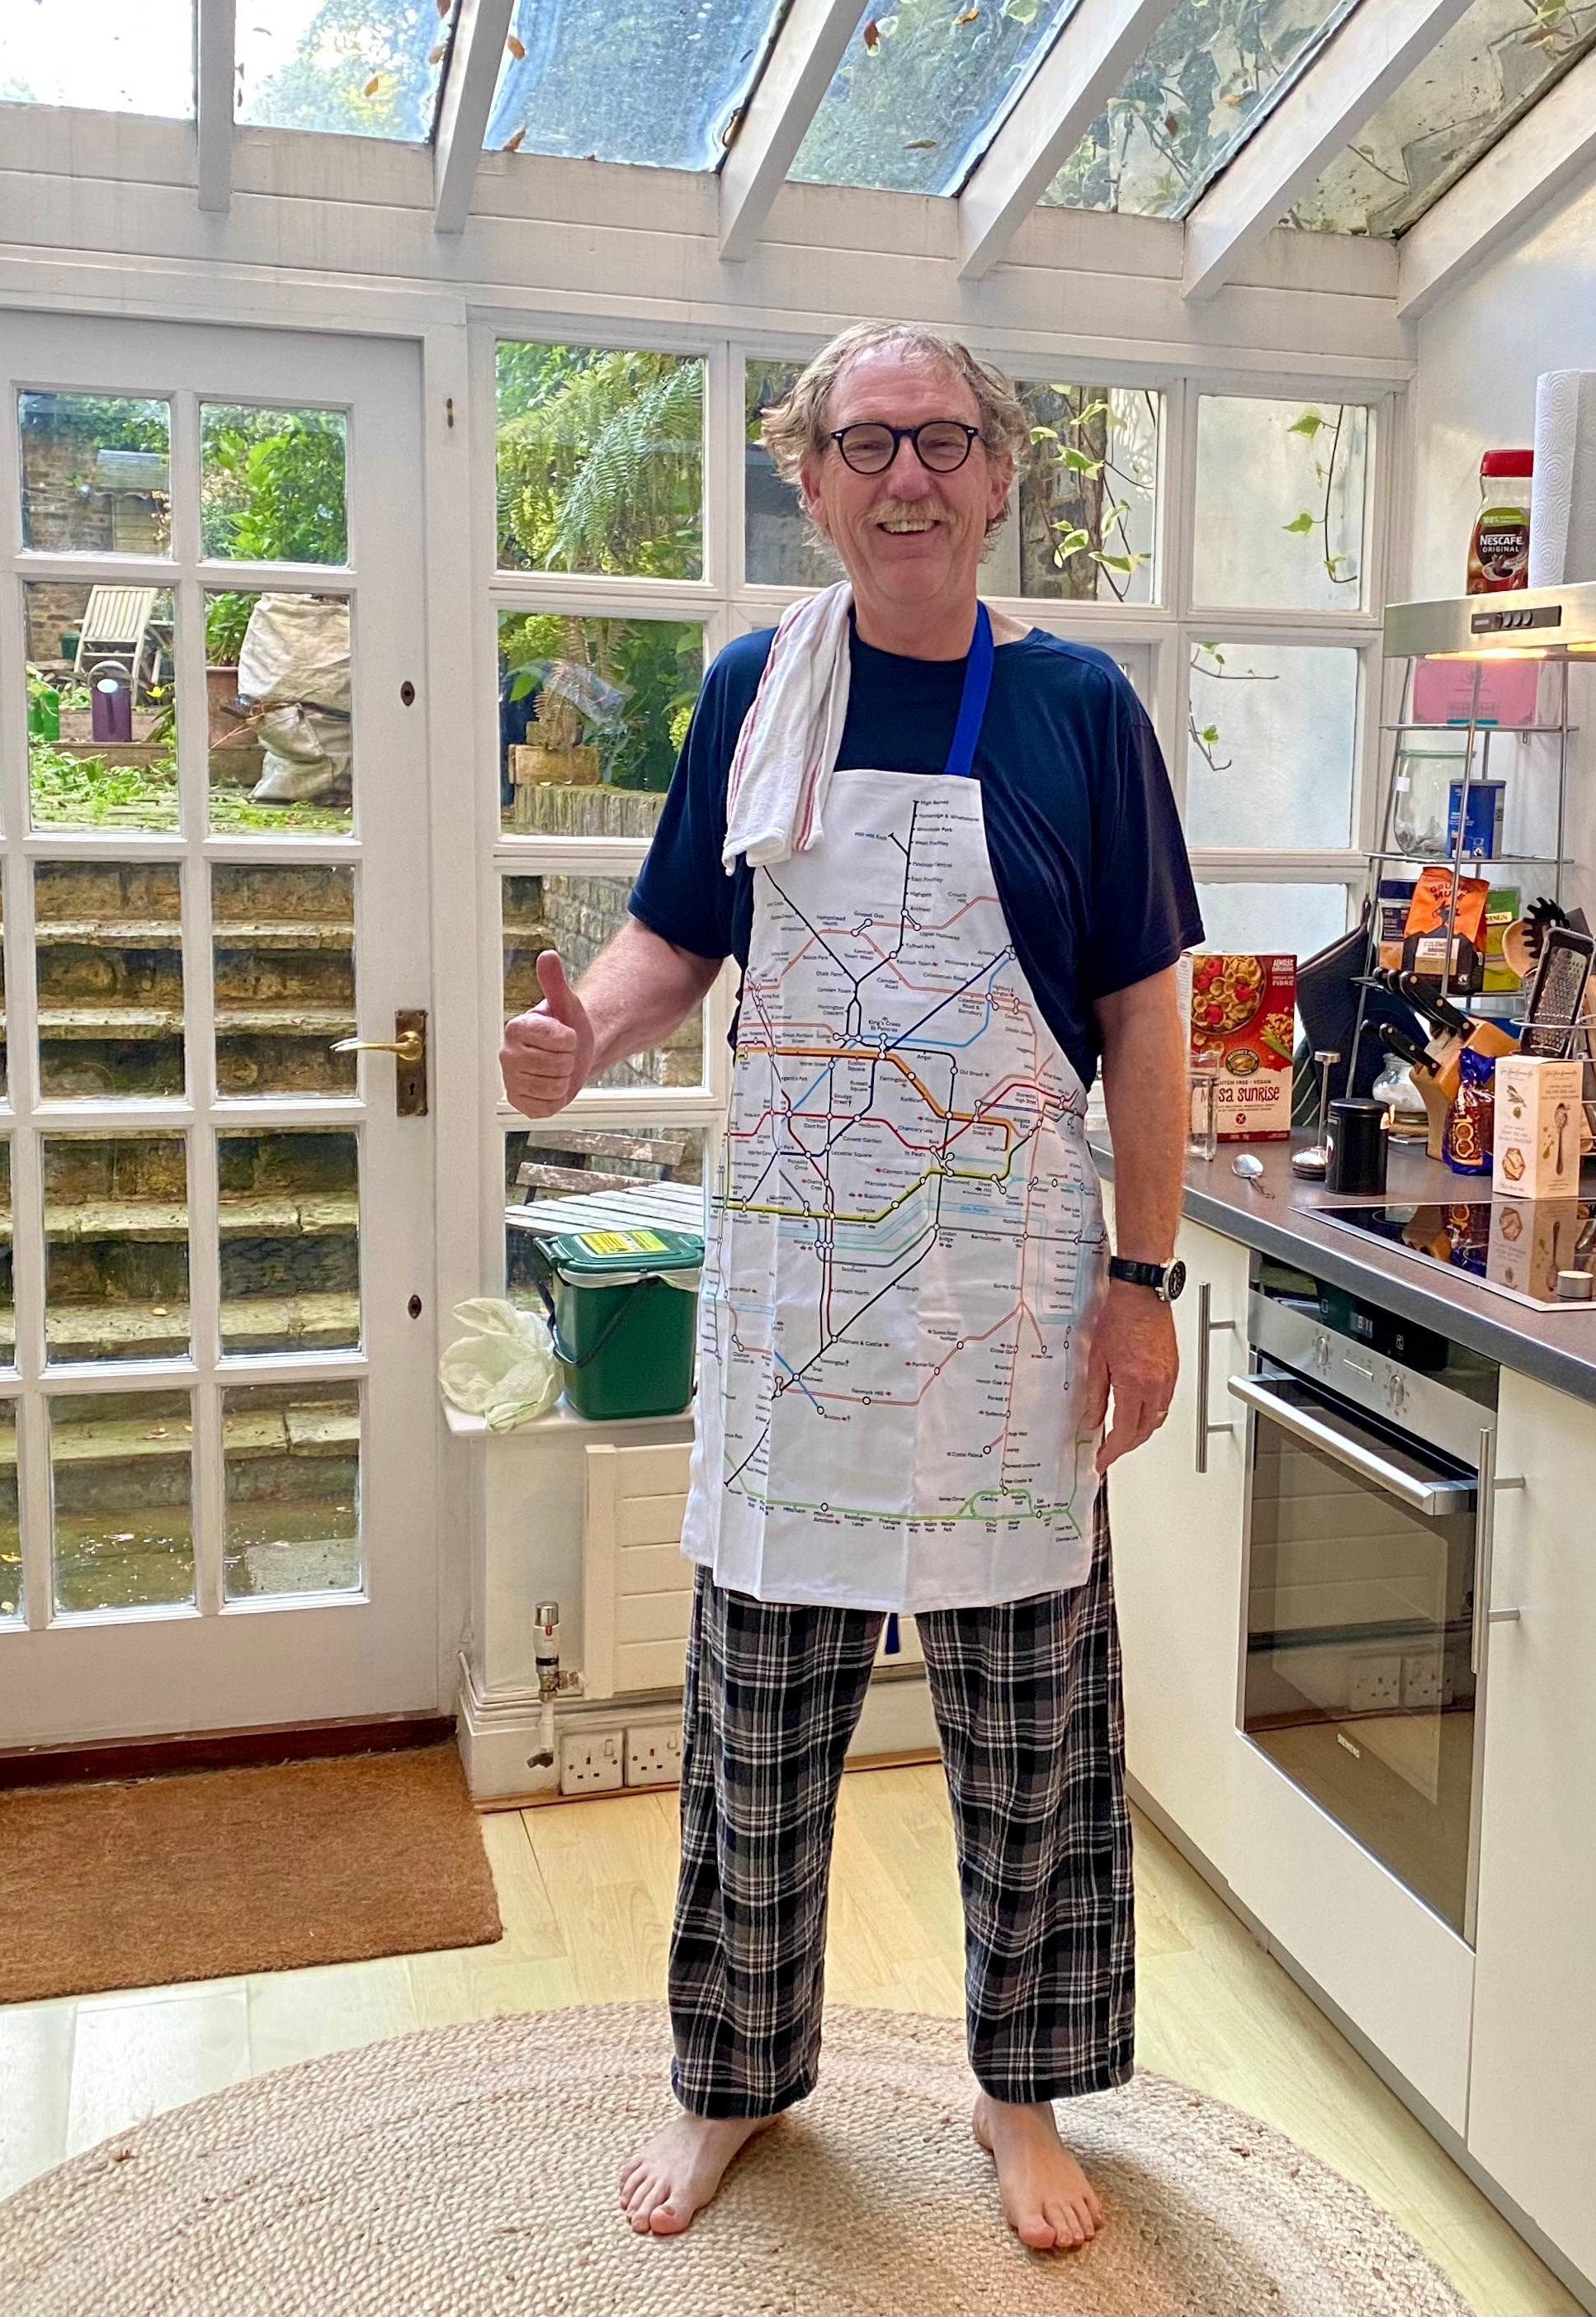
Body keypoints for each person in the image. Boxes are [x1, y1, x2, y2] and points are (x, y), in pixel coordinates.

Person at [499, 322, 1198, 2254]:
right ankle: (726, 2081)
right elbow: (670, 942)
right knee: (759, 1714)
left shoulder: (1075, 712)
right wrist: (586, 1044)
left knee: (1027, 1720)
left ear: (995, 480)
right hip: (803, 1294)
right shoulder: (753, 692)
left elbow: (1144, 1022)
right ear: (809, 482)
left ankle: (1016, 2091)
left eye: (945, 441)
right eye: (868, 443)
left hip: (1005, 1301)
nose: (908, 476)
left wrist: (1140, 1280)